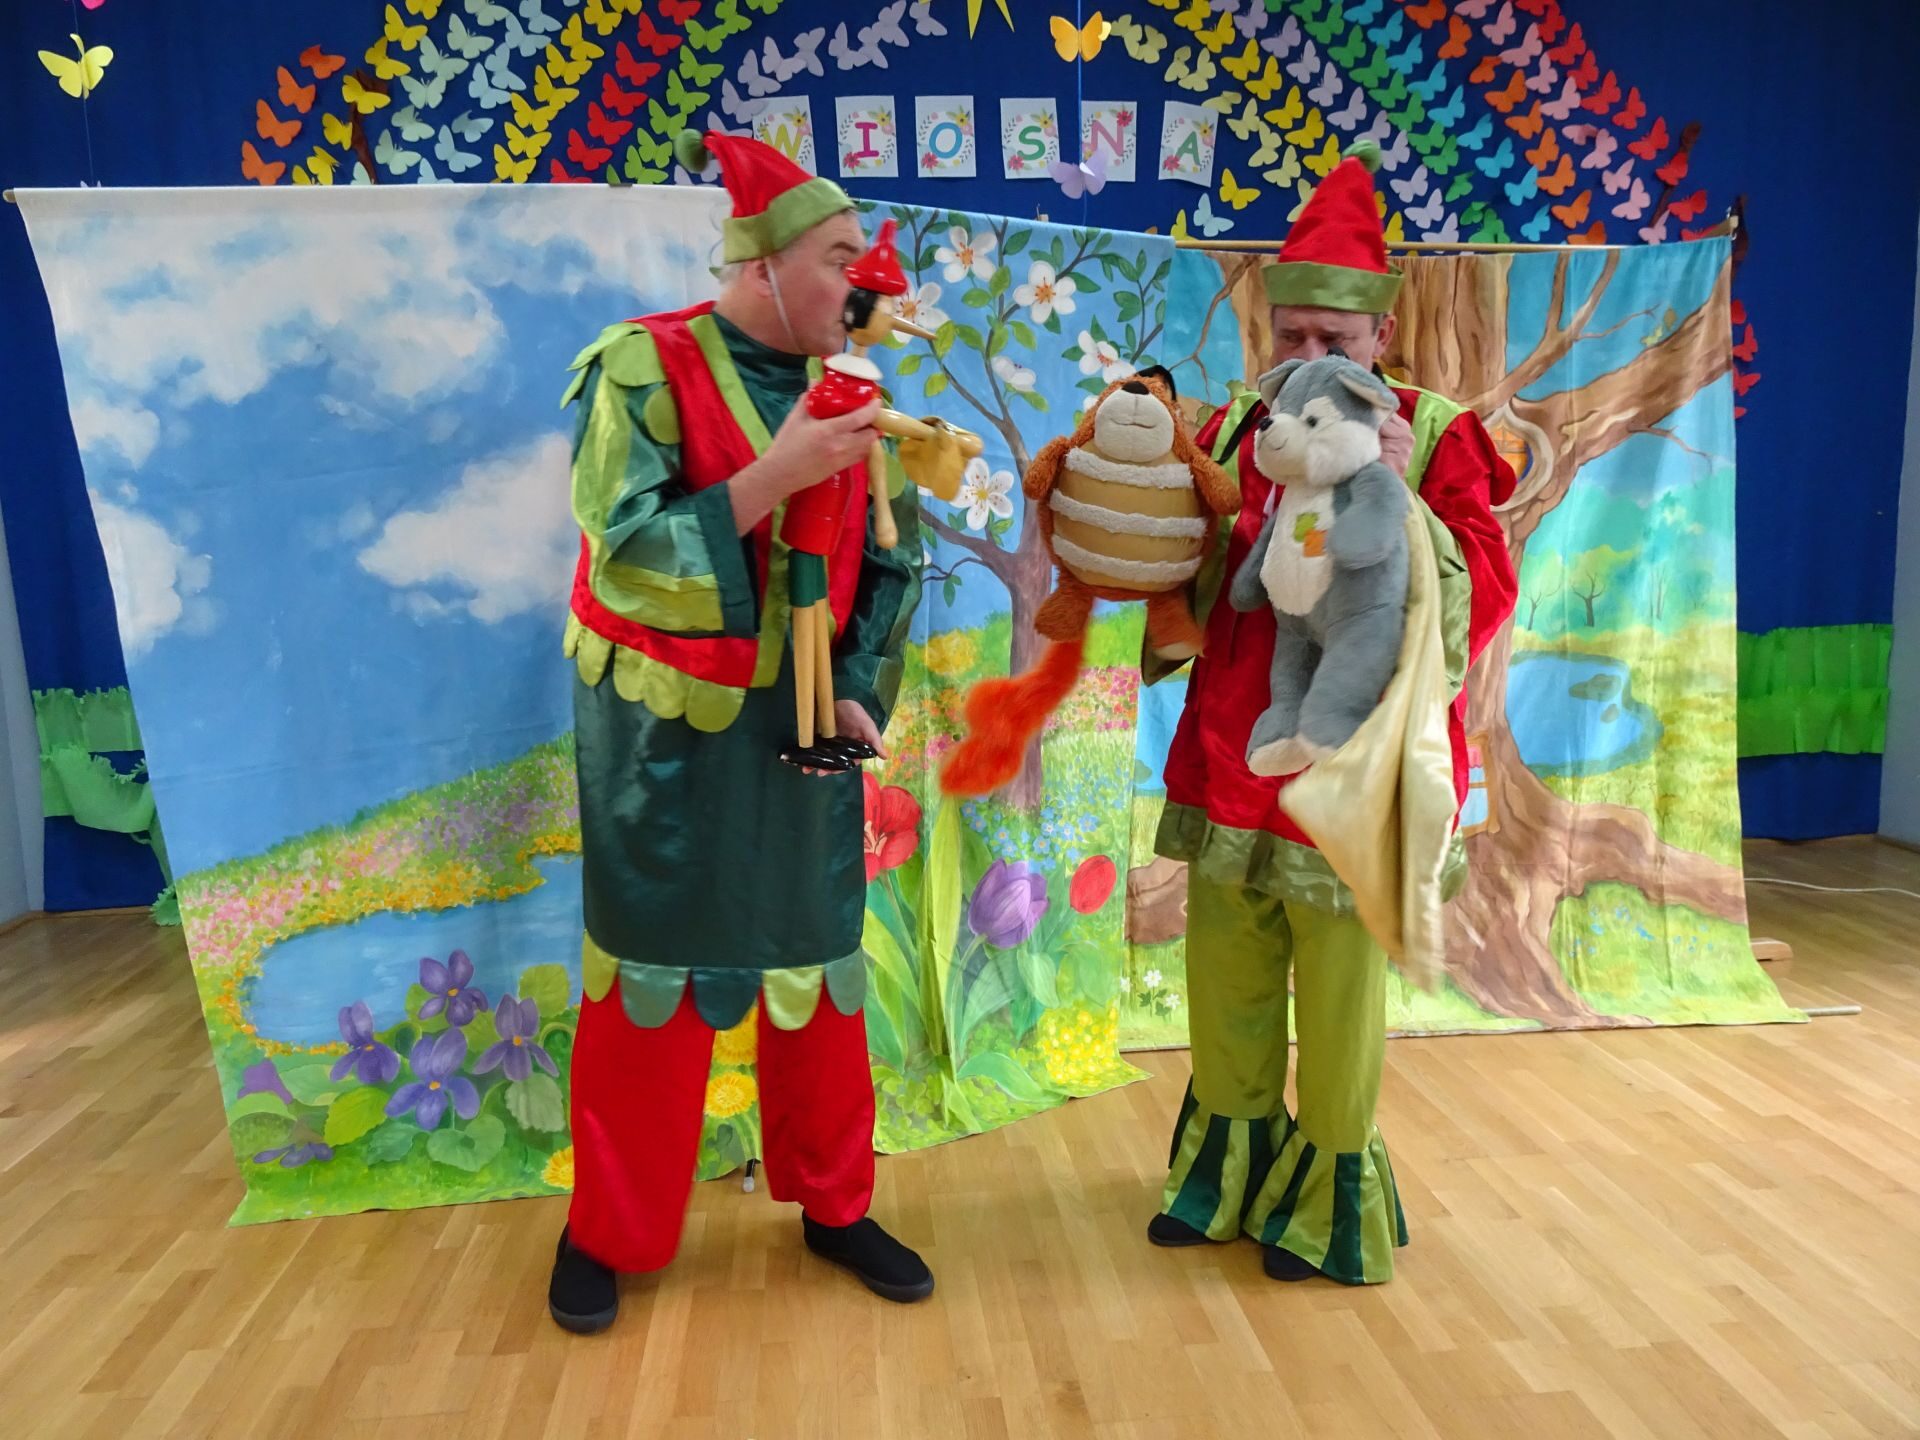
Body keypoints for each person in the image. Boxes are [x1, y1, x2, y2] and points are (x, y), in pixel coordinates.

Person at [547, 129, 929, 1334]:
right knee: (649, 980)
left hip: (802, 725)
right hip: (665, 741)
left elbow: (893, 563)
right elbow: (626, 549)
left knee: (818, 963)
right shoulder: (642, 367)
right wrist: (779, 470)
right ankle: (607, 1231)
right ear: (762, 266)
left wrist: (855, 684)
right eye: (838, 257)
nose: (862, 280)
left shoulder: (858, 387)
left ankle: (834, 1205)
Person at [1146, 140, 1518, 1285]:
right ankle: (1224, 1179)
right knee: (1227, 980)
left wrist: (1398, 497)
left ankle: (1326, 1205)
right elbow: (1187, 572)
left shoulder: (1437, 434)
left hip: (1358, 777)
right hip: (1233, 759)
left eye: (1334, 343)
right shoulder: (1237, 432)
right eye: (1290, 338)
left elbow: (1486, 594)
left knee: (1344, 998)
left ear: (1382, 334)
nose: (1307, 362)